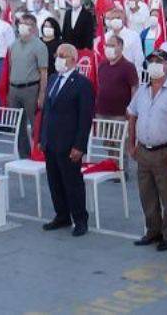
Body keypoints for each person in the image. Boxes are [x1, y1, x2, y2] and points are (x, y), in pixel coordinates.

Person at [127, 50, 167, 251]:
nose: (154, 65)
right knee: (146, 194)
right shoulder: (142, 90)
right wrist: (131, 143)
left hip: (165, 151)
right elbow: (132, 115)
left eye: (159, 61)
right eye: (151, 61)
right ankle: (153, 230)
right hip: (143, 151)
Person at [40, 43, 94, 236]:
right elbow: (46, 111)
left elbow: (85, 118)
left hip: (69, 142)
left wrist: (79, 145)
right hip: (51, 141)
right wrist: (41, 137)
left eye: (63, 56)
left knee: (72, 183)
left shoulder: (82, 84)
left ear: (73, 59)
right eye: (57, 55)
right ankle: (62, 215)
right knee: (54, 181)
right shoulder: (53, 79)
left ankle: (80, 219)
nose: (59, 59)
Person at [8, 15, 49, 158]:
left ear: (34, 27)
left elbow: (43, 72)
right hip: (14, 88)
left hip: (31, 88)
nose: (24, 26)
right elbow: (11, 67)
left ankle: (40, 154)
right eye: (22, 23)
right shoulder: (13, 45)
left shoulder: (40, 46)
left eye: (28, 23)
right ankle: (24, 155)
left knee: (36, 124)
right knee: (18, 125)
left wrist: (42, 94)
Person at [96, 35, 139, 120]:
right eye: (107, 45)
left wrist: (131, 109)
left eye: (112, 46)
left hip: (119, 115)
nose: (108, 48)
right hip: (101, 113)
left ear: (121, 47)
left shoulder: (128, 67)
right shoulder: (102, 65)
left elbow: (134, 88)